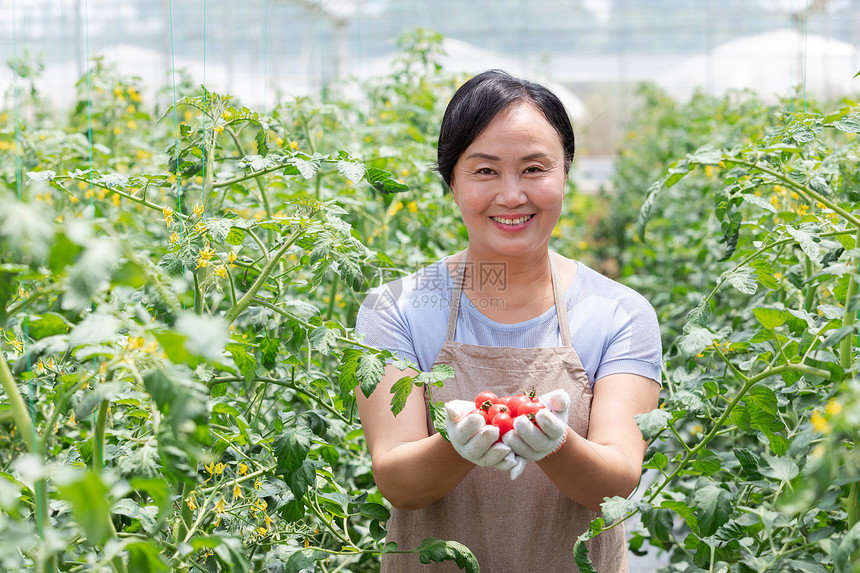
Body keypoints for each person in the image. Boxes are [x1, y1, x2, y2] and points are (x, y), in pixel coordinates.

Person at [354, 69, 662, 572]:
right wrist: (461, 447)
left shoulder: (620, 313)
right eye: (485, 171)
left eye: (535, 169)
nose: (512, 195)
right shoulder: (398, 308)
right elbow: (398, 482)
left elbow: (618, 480)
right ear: (450, 180)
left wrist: (555, 445)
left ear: (566, 174)